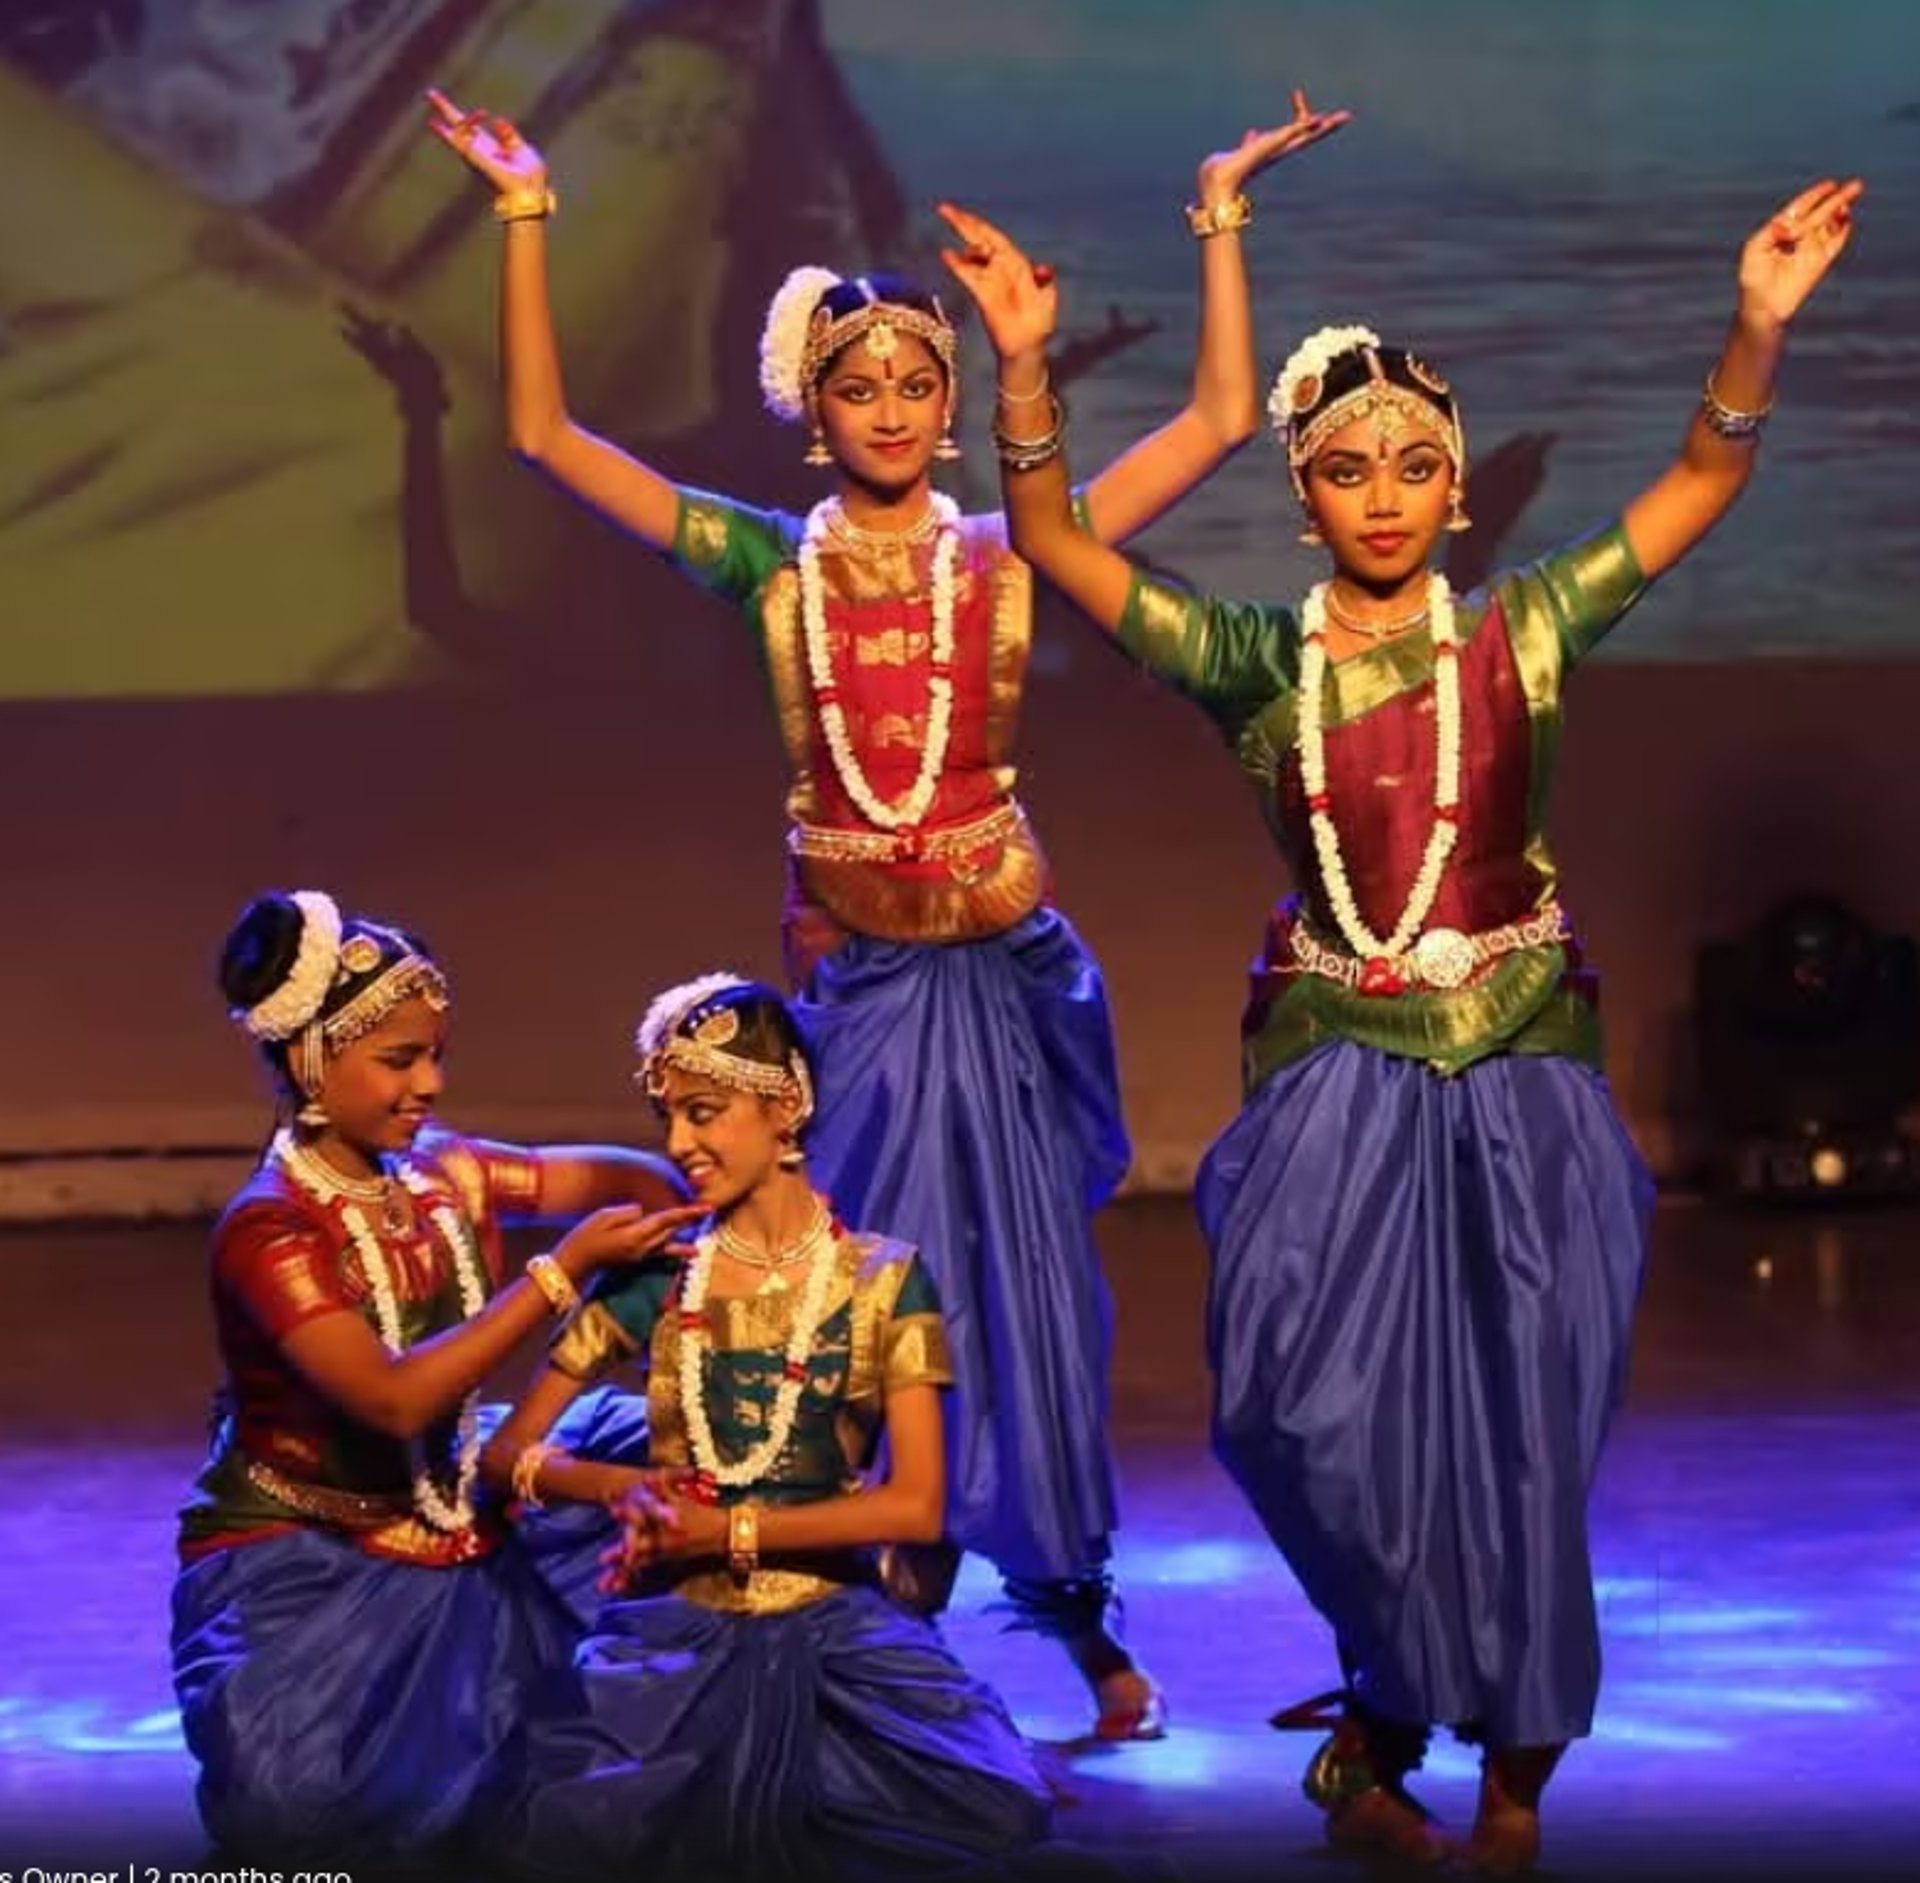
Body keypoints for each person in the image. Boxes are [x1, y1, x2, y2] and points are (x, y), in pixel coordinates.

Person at [948, 177, 1863, 1870]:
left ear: (1455, 487)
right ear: (1305, 496)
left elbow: (1703, 480)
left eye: (1417, 464)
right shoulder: (1255, 660)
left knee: (1524, 1434)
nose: (1385, 493)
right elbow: (1059, 547)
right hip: (1337, 1072)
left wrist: (1756, 325)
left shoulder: (1527, 628)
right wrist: (1018, 368)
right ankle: (1382, 1694)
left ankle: (1510, 1777)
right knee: (1288, 1409)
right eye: (1349, 468)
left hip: (1522, 1068)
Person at [422, 81, 1347, 1735]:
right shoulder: (767, 566)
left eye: (924, 383)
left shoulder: (1009, 549)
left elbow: (1220, 416)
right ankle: (865, 1618)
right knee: (842, 1317)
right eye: (864, 385)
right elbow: (547, 439)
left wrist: (1218, 213)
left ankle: (1073, 1609)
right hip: (861, 1004)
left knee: (1028, 1313)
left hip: (1003, 987)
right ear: (815, 404)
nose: (899, 410)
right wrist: (527, 213)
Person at [171, 889, 702, 1863]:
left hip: (458, 1488)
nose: (431, 1083)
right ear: (312, 1060)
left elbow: (636, 1182)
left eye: (436, 1055)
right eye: (401, 1059)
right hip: (309, 1556)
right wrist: (562, 1272)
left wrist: (681, 1293)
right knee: (301, 1815)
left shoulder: (444, 1169)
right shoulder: (270, 1228)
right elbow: (394, 1396)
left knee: (699, 1445)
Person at [483, 973, 1054, 1880]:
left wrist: (730, 1531)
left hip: (838, 1634)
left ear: (785, 1107)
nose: (679, 1143)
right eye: (668, 1116)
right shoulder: (662, 1276)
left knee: (989, 1808)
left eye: (703, 1112)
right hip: (677, 1636)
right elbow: (506, 1452)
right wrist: (621, 1485)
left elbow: (915, 1506)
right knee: (584, 1828)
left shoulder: (882, 1279)